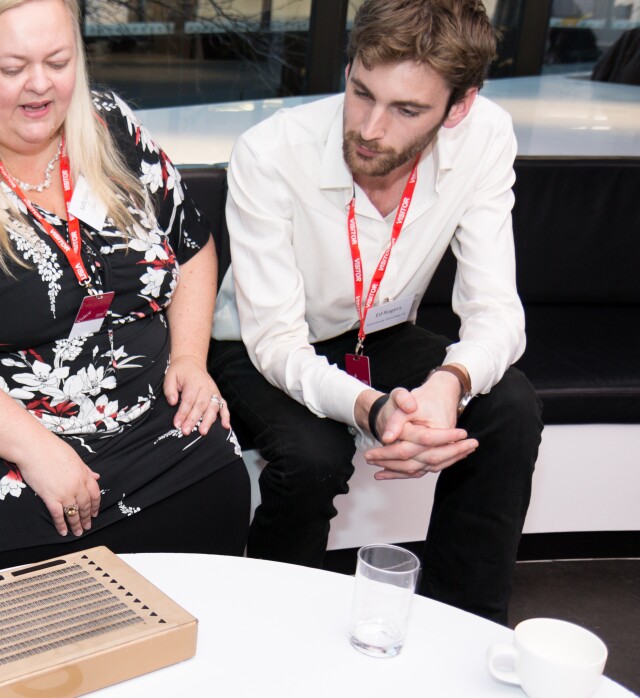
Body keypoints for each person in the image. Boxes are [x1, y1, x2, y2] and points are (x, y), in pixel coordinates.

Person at [0, 0, 249, 587]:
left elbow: (191, 245)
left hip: (137, 408)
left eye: (58, 62)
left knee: (214, 469)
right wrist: (36, 448)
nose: (40, 84)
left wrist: (191, 360)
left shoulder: (107, 124)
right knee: (20, 518)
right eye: (13, 68)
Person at [208, 0, 542, 624]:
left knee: (510, 407)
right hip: (257, 345)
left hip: (379, 333)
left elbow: (497, 310)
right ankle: (275, 626)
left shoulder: (487, 136)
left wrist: (449, 384)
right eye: (361, 92)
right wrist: (373, 408)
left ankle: (465, 625)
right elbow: (276, 341)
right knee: (312, 457)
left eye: (406, 110)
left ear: (459, 107)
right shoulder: (271, 151)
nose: (369, 127)